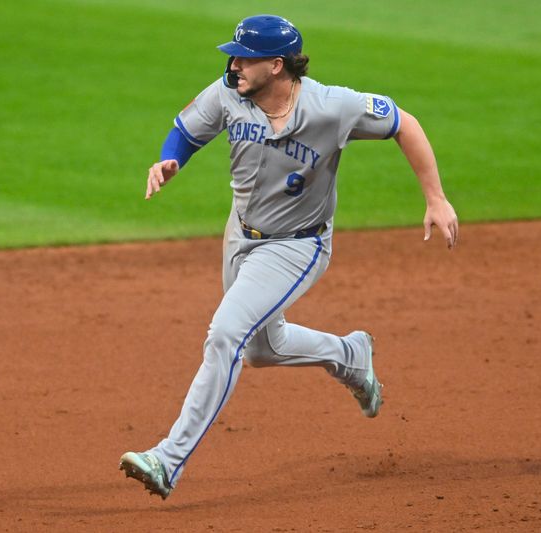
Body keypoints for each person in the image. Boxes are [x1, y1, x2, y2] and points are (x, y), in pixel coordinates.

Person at [119, 14, 458, 500]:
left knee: (226, 335)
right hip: (240, 235)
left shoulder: (332, 107)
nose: (232, 64)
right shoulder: (228, 93)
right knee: (260, 348)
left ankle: (167, 459)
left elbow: (405, 123)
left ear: (276, 66)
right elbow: (186, 130)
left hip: (296, 244)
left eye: (243, 57)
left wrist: (436, 197)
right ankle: (349, 354)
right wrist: (171, 160)